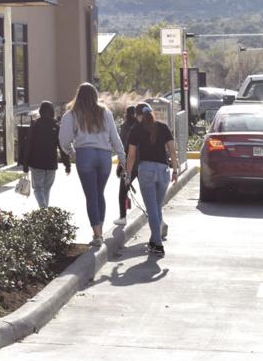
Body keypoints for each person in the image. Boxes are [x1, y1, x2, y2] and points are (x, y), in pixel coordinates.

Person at [58, 83, 126, 246]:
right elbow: (115, 138)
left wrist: (71, 152)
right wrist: (123, 159)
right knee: (99, 193)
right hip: (104, 156)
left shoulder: (72, 114)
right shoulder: (105, 112)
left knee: (91, 196)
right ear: (95, 95)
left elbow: (64, 140)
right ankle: (100, 229)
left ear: (78, 95)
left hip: (85, 154)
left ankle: (97, 235)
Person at [124, 101, 180, 256]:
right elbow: (172, 151)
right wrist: (175, 170)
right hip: (163, 171)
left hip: (146, 171)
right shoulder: (163, 127)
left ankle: (158, 245)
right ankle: (154, 240)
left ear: (138, 115)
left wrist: (128, 175)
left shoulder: (136, 129)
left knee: (152, 209)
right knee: (156, 207)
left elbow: (131, 155)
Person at [19, 101, 71, 208]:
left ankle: (43, 207)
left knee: (38, 189)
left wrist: (25, 164)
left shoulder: (35, 125)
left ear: (40, 112)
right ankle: (45, 212)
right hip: (51, 163)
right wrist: (67, 164)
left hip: (36, 163)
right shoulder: (56, 126)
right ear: (52, 112)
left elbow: (28, 145)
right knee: (46, 188)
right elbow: (62, 147)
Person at [116, 105, 138, 225]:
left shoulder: (125, 127)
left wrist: (121, 164)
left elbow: (123, 147)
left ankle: (123, 217)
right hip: (142, 163)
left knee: (122, 192)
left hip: (129, 163)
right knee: (147, 192)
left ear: (126, 114)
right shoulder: (141, 126)